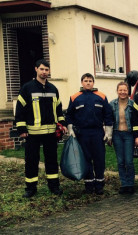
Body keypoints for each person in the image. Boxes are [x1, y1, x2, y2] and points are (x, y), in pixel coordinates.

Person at [15, 59, 67, 198]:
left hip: (50, 133)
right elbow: (20, 110)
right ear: (36, 69)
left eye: (46, 70)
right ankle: (31, 188)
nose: (44, 72)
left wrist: (62, 124)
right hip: (32, 133)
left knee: (51, 160)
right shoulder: (27, 88)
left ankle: (54, 186)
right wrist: (22, 129)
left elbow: (59, 109)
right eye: (42, 69)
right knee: (31, 161)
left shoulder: (53, 89)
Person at [65, 73, 113, 195]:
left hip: (97, 132)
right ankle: (89, 184)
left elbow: (108, 115)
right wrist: (70, 129)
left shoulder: (101, 96)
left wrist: (108, 132)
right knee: (85, 158)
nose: (88, 83)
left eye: (90, 81)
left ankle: (99, 184)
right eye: (85, 81)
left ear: (93, 83)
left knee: (99, 159)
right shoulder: (75, 97)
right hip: (82, 133)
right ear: (82, 82)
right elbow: (69, 115)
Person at [109, 82, 135, 194]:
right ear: (117, 91)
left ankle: (130, 184)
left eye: (125, 90)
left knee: (129, 161)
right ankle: (124, 184)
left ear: (128, 91)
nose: (123, 92)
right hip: (116, 134)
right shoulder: (112, 104)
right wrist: (108, 135)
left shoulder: (133, 104)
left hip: (129, 134)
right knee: (120, 161)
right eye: (120, 90)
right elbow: (108, 121)